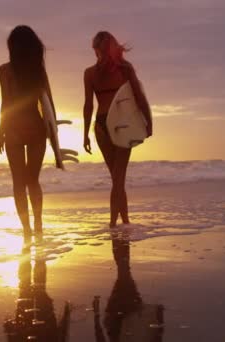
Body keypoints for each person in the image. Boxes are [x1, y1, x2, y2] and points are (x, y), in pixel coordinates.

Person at [82, 31, 153, 228]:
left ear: (96, 50)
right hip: (121, 124)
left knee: (116, 178)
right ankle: (114, 225)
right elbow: (139, 97)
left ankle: (124, 222)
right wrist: (148, 122)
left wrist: (86, 134)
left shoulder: (89, 73)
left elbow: (88, 106)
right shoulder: (124, 69)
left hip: (101, 125)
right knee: (118, 178)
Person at [0, 25, 56, 244]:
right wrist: (53, 134)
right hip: (36, 128)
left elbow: (5, 103)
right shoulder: (38, 71)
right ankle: (38, 224)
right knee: (33, 181)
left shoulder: (4, 71)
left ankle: (27, 230)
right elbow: (48, 103)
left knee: (18, 183)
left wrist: (0, 133)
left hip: (13, 129)